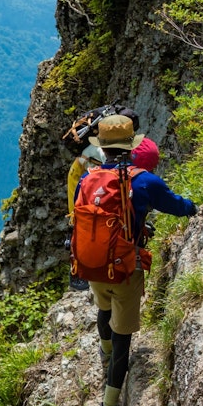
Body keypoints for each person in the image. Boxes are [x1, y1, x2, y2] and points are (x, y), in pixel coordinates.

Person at [78, 113, 197, 406]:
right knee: (123, 339)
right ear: (132, 146)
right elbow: (175, 205)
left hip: (93, 265)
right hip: (125, 268)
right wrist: (194, 207)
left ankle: (103, 357)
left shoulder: (86, 179)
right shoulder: (144, 181)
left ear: (101, 145)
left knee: (104, 311)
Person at [67, 107, 159, 290]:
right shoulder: (108, 153)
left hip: (82, 173)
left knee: (87, 218)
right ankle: (78, 272)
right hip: (81, 175)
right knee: (82, 219)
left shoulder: (111, 141)